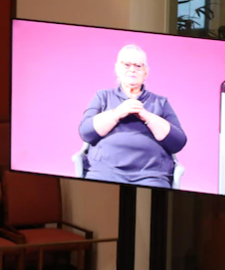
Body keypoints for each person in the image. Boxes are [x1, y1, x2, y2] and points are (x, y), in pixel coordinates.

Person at [79, 44, 187, 188]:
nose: (132, 69)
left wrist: (147, 116)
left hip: (151, 175)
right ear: (117, 69)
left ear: (146, 73)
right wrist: (117, 113)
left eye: (138, 66)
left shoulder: (160, 102)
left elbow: (177, 142)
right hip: (104, 172)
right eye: (127, 64)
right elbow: (86, 133)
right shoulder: (103, 97)